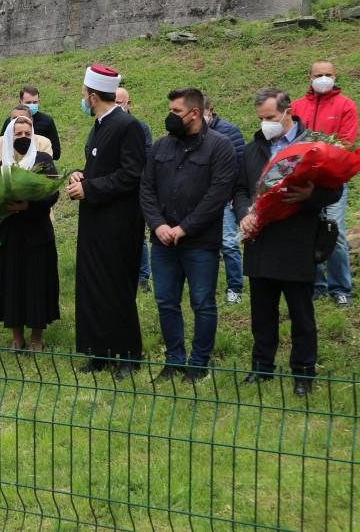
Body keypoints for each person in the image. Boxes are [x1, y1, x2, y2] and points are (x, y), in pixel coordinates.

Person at [234, 88, 342, 396]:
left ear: (287, 112)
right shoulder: (253, 148)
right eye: (261, 118)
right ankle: (261, 367)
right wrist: (244, 214)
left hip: (297, 241)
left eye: (270, 117)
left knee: (301, 314)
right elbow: (240, 188)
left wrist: (311, 196)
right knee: (262, 313)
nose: (265, 123)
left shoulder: (312, 146)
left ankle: (304, 373)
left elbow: (334, 190)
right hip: (260, 241)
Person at [141, 88, 237, 383]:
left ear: (195, 113)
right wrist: (158, 225)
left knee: (202, 302)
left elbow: (217, 195)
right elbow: (146, 190)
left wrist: (184, 228)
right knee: (166, 301)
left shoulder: (220, 147)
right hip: (162, 241)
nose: (170, 116)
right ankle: (174, 361)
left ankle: (198, 365)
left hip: (200, 243)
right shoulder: (160, 147)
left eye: (176, 112)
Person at [67, 65, 148, 379]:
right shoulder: (100, 125)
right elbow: (101, 166)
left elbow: (131, 174)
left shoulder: (128, 125)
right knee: (92, 287)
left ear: (92, 94)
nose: (83, 99)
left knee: (116, 289)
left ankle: (128, 355)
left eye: (84, 94)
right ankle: (98, 352)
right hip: (94, 222)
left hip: (118, 225)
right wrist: (81, 174)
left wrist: (89, 188)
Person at [0, 117, 60, 352]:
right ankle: (16, 337)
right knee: (12, 284)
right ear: (10, 137)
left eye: (27, 134)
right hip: (10, 235)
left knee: (37, 283)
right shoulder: (3, 166)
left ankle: (37, 337)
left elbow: (52, 194)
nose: (23, 138)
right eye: (18, 134)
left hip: (37, 232)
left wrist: (27, 205)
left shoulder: (44, 161)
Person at [292, 60, 359, 307]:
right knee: (309, 232)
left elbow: (346, 142)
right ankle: (316, 285)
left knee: (336, 232)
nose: (323, 78)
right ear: (309, 77)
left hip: (332, 182)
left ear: (335, 75)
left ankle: (341, 288)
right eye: (318, 74)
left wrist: (321, 157)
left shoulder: (345, 105)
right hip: (304, 181)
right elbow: (292, 140)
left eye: (327, 74)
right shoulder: (297, 106)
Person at [204, 97, 247, 305]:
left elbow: (239, 167)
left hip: (224, 198)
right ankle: (206, 287)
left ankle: (235, 288)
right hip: (201, 201)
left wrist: (231, 197)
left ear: (210, 111)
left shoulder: (229, 132)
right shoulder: (189, 134)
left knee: (229, 243)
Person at [116, 87, 155, 292]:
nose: (117, 106)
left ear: (128, 103)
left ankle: (142, 278)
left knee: (138, 236)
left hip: (135, 188)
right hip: (113, 190)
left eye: (120, 102)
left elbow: (147, 158)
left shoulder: (140, 127)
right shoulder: (103, 126)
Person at [0, 86, 61, 160]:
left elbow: (56, 153)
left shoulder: (47, 121)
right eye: (28, 102)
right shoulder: (10, 121)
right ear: (20, 102)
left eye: (35, 102)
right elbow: (1, 145)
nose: (32, 105)